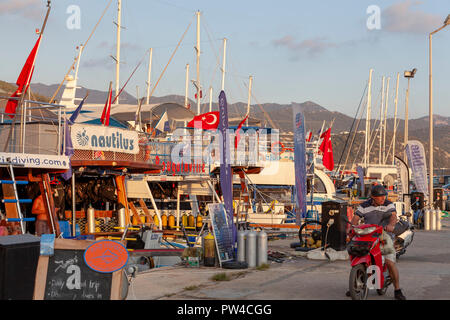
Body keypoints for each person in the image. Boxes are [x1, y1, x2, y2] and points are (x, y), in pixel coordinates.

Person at [347, 184, 407, 300]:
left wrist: (391, 225)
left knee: (390, 262)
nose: (383, 199)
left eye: (384, 196)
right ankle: (355, 284)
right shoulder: (364, 206)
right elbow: (355, 218)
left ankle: (397, 290)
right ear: (373, 197)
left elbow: (393, 216)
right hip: (369, 235)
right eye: (380, 197)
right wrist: (351, 227)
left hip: (385, 236)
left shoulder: (388, 204)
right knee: (358, 254)